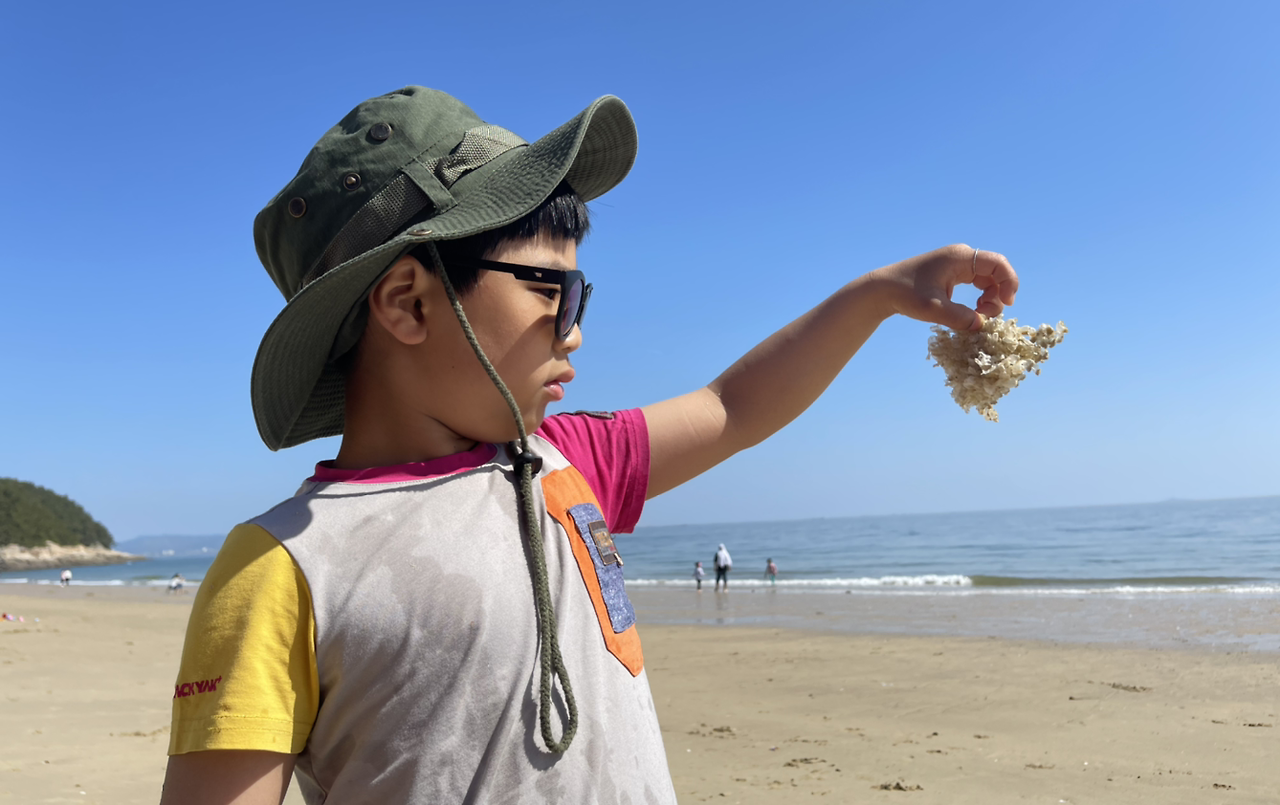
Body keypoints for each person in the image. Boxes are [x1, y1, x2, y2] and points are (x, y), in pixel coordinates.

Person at [160, 85, 1017, 805]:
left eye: (583, 296)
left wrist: (875, 296)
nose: (574, 332)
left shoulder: (566, 461)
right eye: (551, 292)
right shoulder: (283, 567)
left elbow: (733, 407)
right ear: (409, 303)